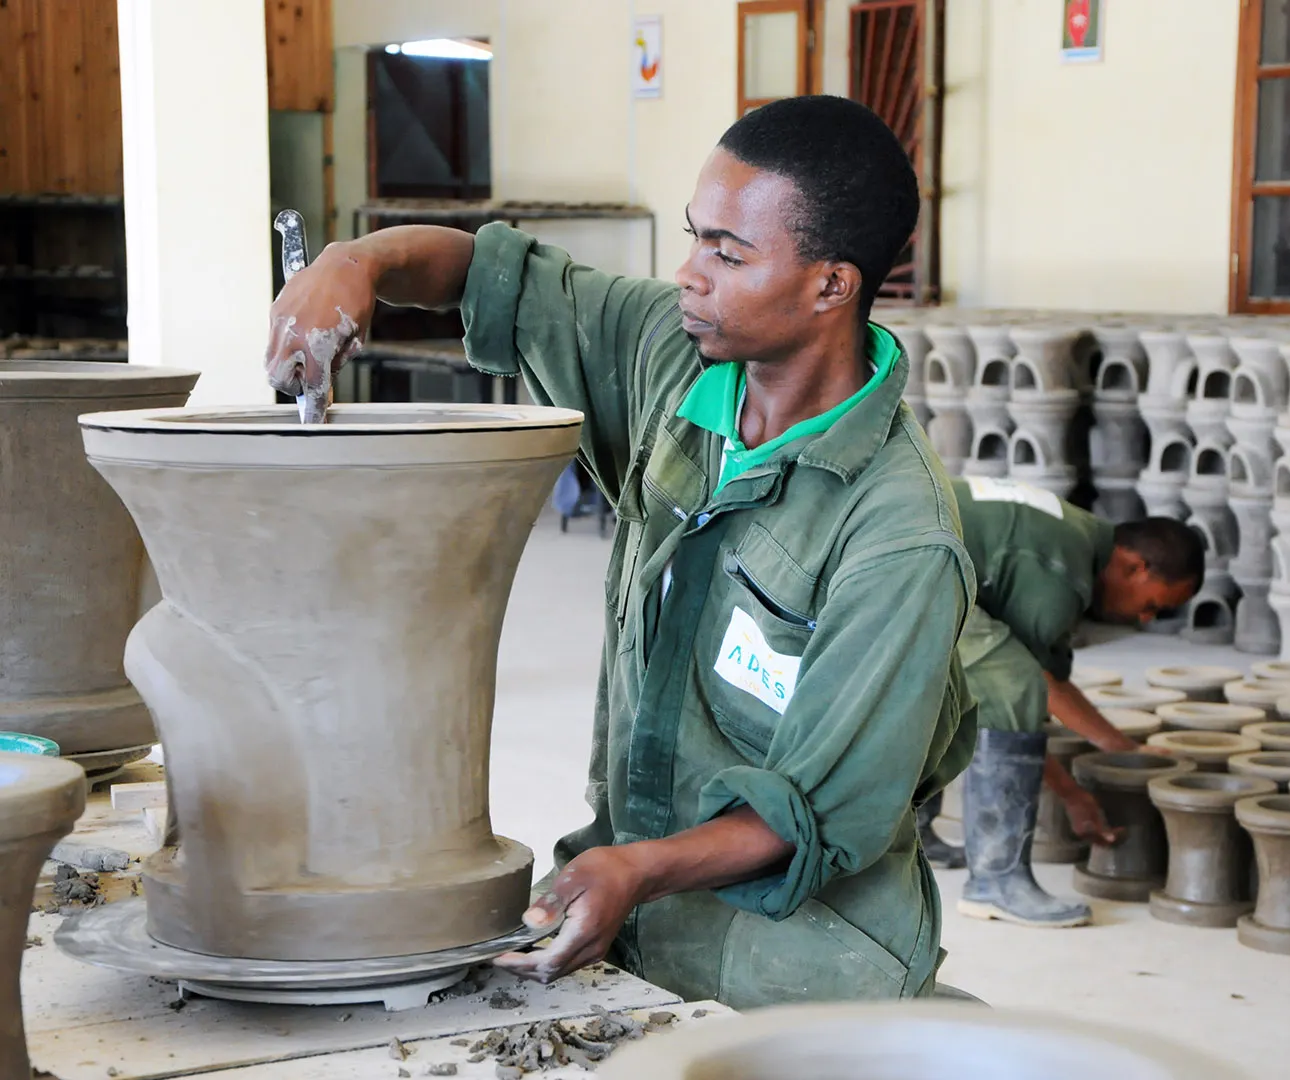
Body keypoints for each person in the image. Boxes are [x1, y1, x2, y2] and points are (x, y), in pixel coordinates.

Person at [265, 96, 978, 1008]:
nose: (688, 274)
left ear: (830, 285)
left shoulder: (895, 533)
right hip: (633, 903)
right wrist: (354, 261)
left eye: (727, 252)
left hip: (797, 964)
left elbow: (816, 810)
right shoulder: (675, 359)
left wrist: (634, 871)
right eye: (693, 239)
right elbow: (492, 275)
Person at [919, 476, 1204, 928]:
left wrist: (1075, 792)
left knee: (957, 679)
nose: (1146, 618)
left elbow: (1043, 697)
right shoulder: (1061, 569)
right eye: (1152, 604)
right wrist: (1120, 752)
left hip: (906, 551)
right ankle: (996, 882)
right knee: (1002, 679)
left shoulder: (1075, 541)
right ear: (1136, 567)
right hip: (904, 560)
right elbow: (1028, 690)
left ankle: (915, 834)